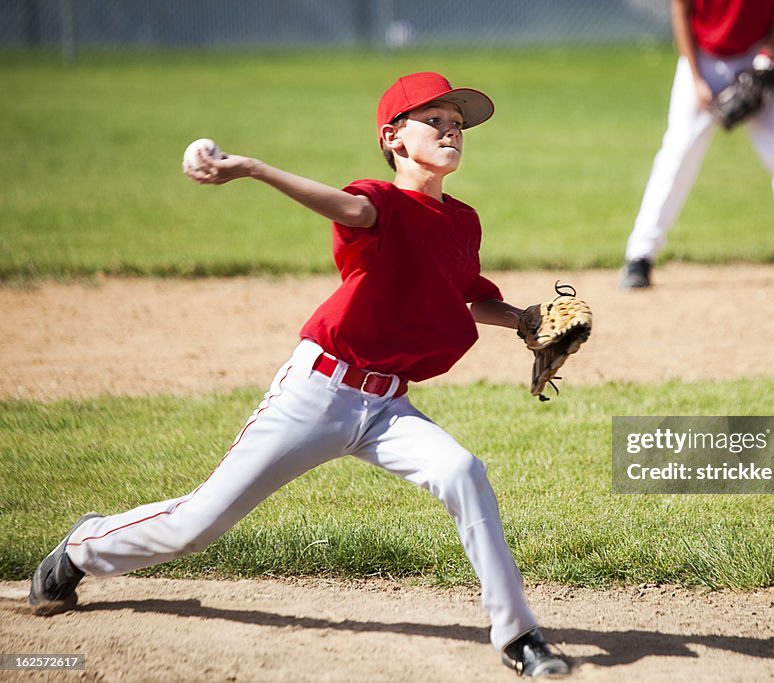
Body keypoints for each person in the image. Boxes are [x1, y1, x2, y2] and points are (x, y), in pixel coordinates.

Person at [28, 71, 570, 679]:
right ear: (394, 137)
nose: (452, 131)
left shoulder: (463, 221)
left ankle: (519, 636)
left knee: (463, 471)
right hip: (318, 394)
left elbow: (466, 295)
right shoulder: (378, 202)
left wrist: (523, 319)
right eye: (435, 120)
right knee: (196, 527)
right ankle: (83, 548)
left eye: (457, 124)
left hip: (388, 407)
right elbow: (351, 208)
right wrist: (255, 169)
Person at [621, 0, 774, 288]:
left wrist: (770, 51)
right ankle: (640, 257)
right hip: (703, 59)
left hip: (758, 58)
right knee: (678, 154)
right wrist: (696, 79)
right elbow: (680, 12)